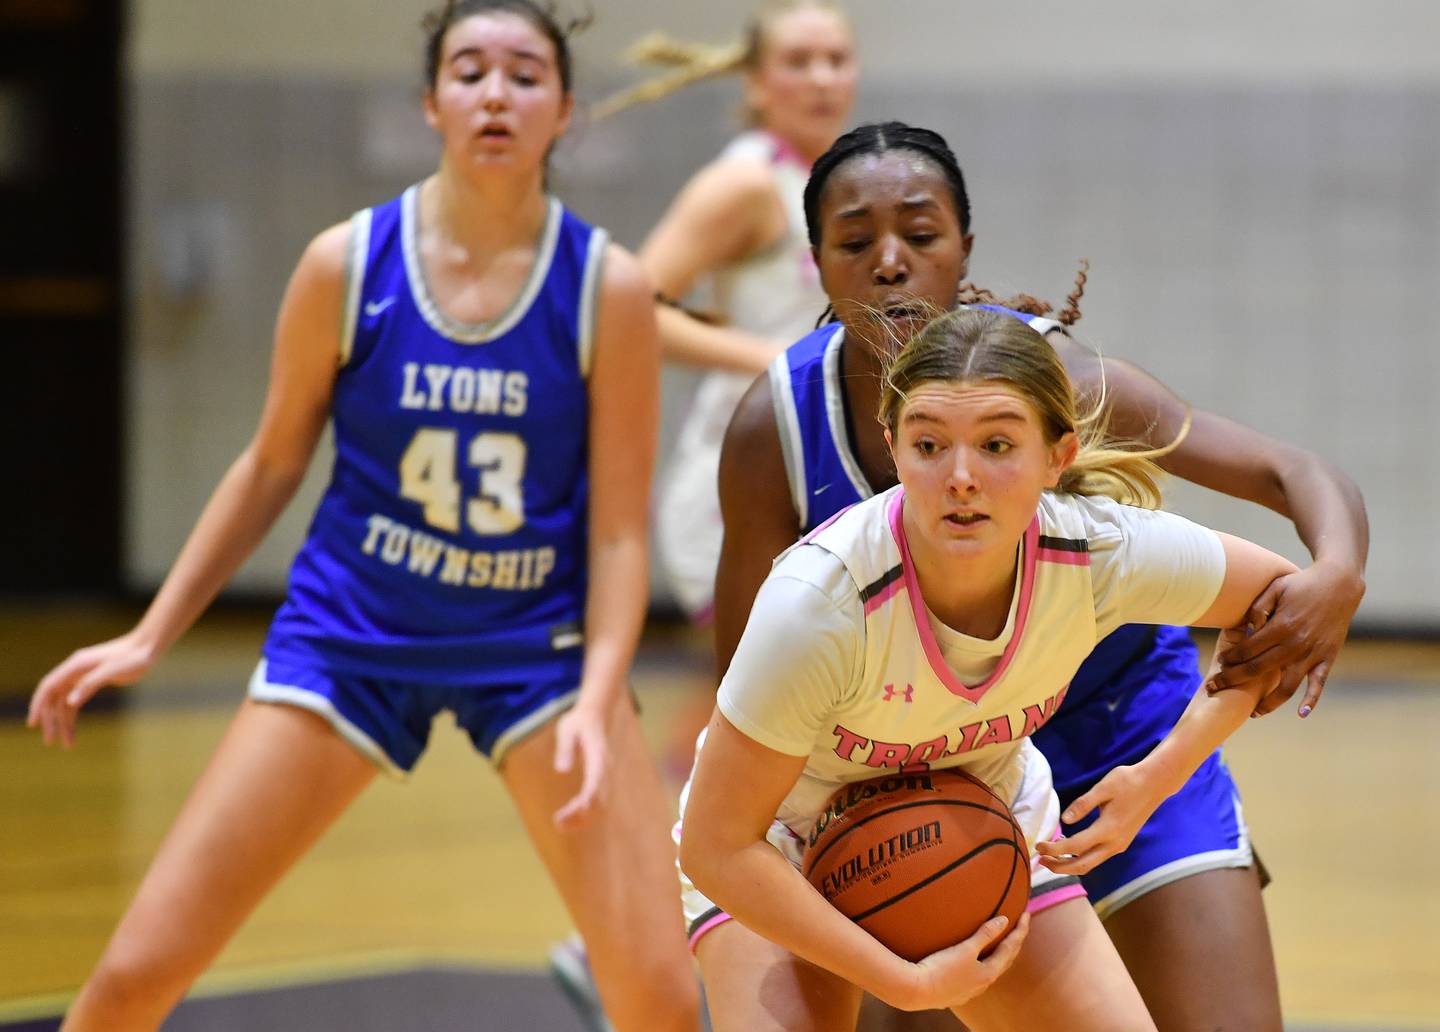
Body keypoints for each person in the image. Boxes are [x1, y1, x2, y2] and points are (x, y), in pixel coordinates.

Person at [25, 4, 700, 1030]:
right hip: (351, 638)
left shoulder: (607, 286)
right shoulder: (345, 265)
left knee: (657, 1000)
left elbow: (616, 528)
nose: (495, 94)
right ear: (431, 103)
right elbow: (267, 464)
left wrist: (603, 697)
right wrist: (150, 633)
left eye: (525, 75)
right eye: (469, 71)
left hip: (535, 650)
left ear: (566, 111)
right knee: (133, 976)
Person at [711, 122, 1368, 1030]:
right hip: (890, 778)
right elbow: (738, 701)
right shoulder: (784, 452)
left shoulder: (1070, 429)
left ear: (1057, 454)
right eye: (857, 243)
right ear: (817, 262)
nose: (891, 263)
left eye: (921, 234)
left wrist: (1337, 573)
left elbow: (1284, 477)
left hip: (1113, 735)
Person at [681, 305, 1303, 1030]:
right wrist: (904, 983)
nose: (962, 477)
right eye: (929, 445)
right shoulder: (820, 603)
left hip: (986, 826)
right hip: (780, 849)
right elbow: (716, 845)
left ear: (1057, 456)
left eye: (998, 444)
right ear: (893, 448)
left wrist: (1156, 778)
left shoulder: (1095, 553)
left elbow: (1282, 606)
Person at [595, 0, 856, 622]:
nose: (821, 77)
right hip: (743, 469)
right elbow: (627, 312)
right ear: (757, 83)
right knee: (751, 701)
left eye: (836, 60)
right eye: (798, 62)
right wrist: (780, 362)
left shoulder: (834, 178)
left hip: (810, 460)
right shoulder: (746, 181)